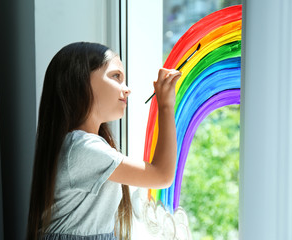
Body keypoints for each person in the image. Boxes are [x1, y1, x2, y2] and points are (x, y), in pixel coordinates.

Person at [26, 42, 181, 240]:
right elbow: (162, 176)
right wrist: (166, 106)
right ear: (80, 82)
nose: (127, 90)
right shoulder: (83, 148)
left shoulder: (81, 145)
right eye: (116, 76)